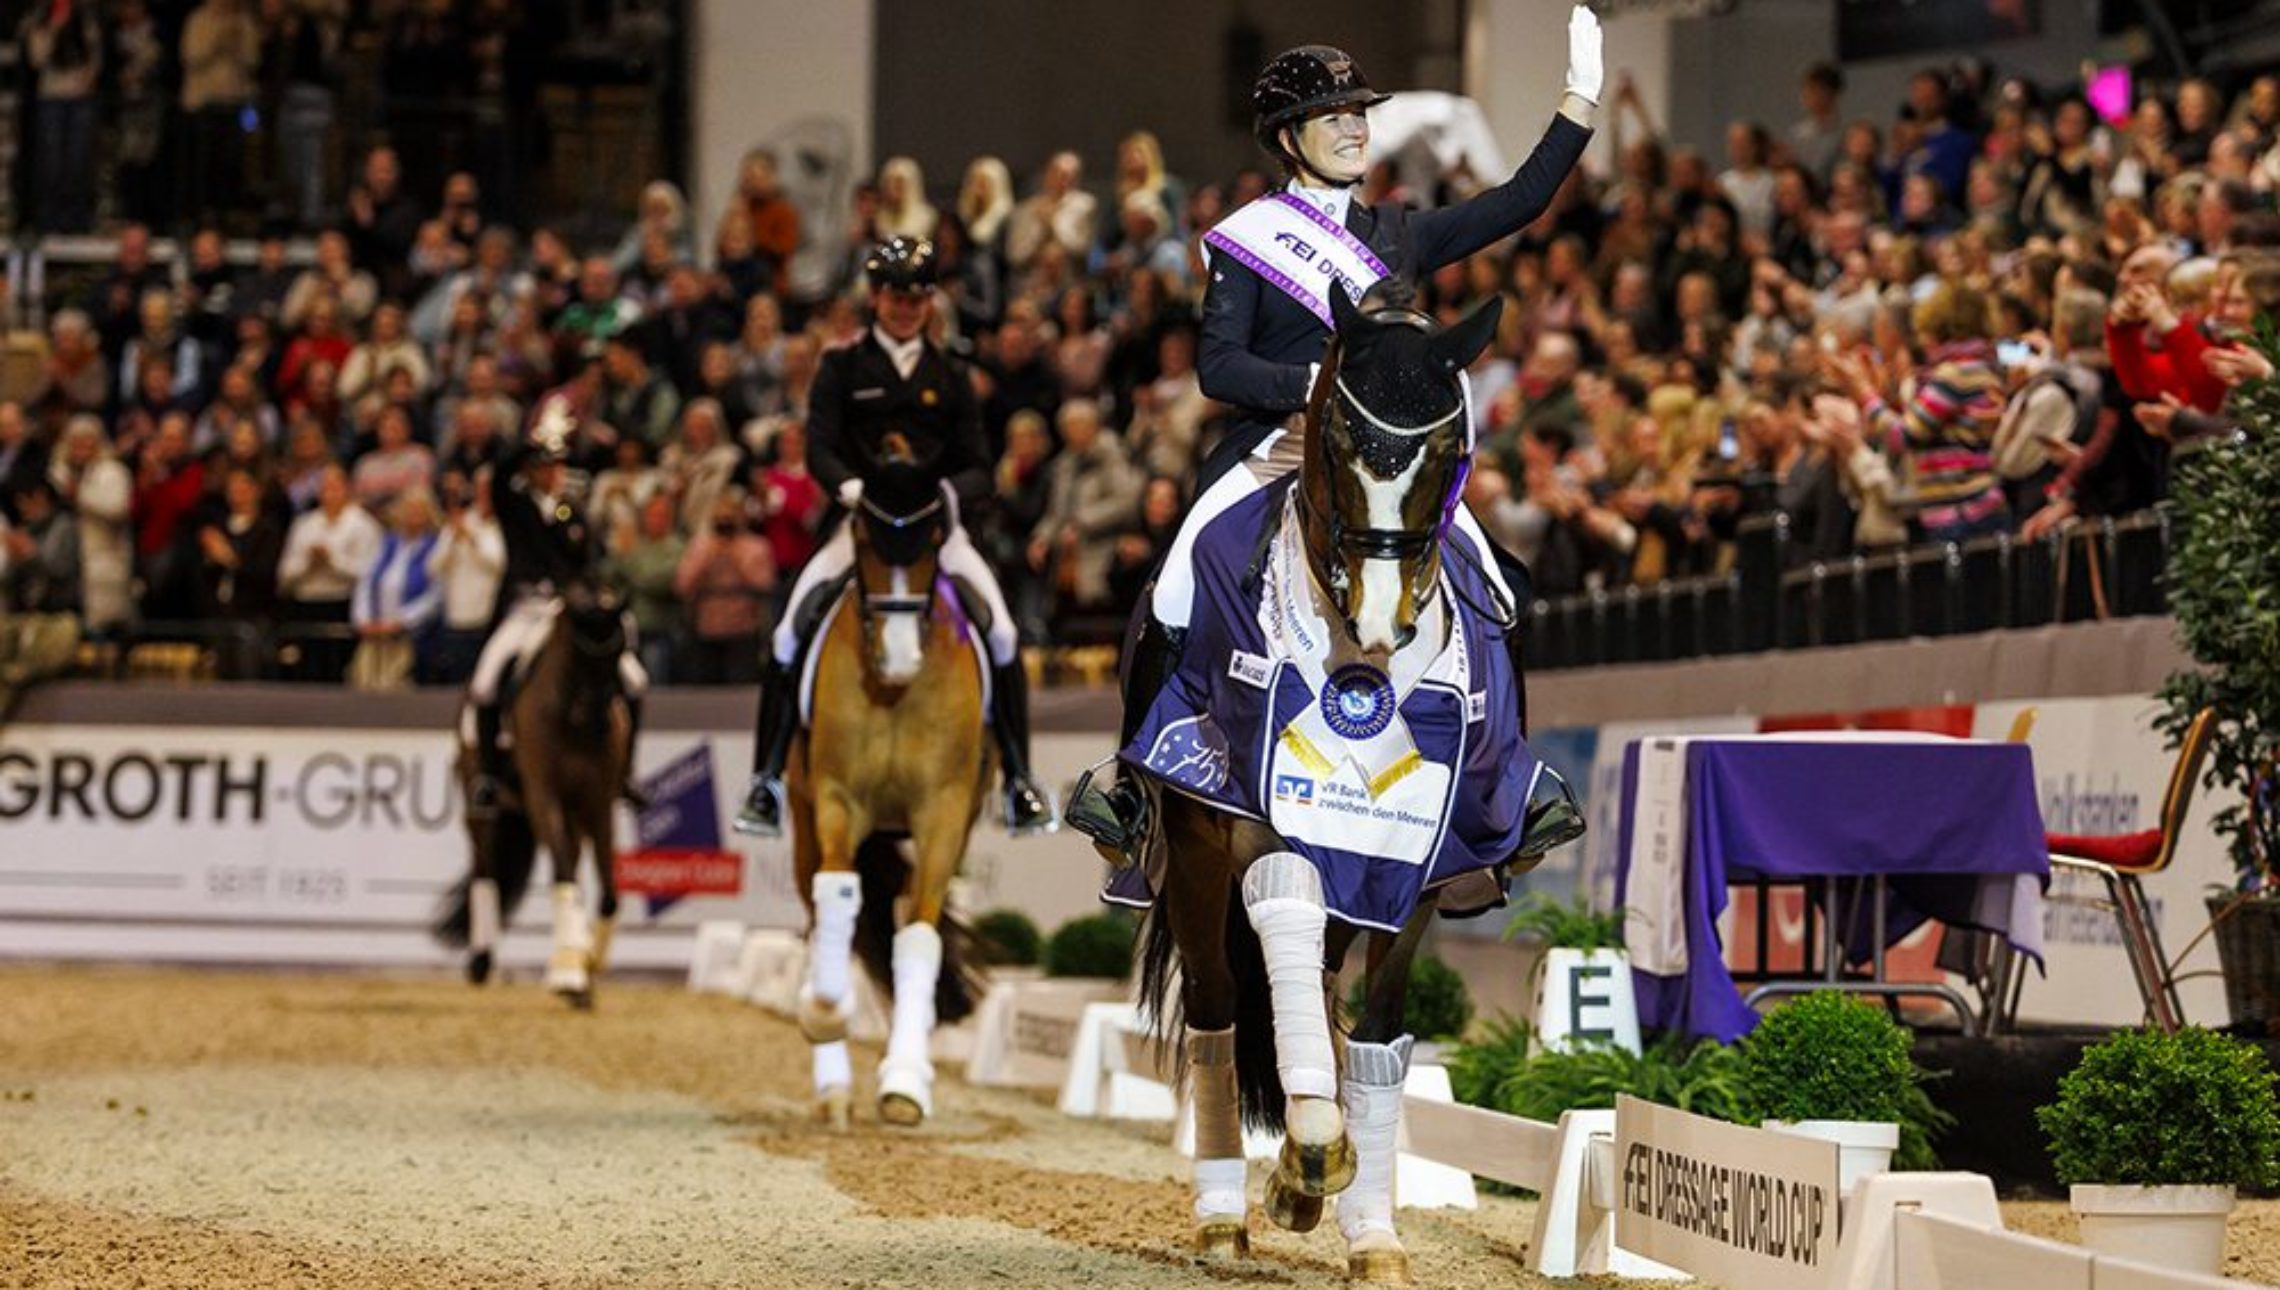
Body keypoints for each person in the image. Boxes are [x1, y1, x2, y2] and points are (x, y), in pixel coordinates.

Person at [1068, 10, 1603, 860]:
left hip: (1380, 458)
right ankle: (1130, 781)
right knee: (1173, 583)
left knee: (1494, 593)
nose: (1356, 128)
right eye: (1335, 117)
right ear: (1290, 138)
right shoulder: (1250, 240)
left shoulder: (1399, 232)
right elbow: (1219, 367)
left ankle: (1513, 782)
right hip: (1277, 446)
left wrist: (1579, 101)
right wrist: (1310, 386)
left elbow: (1521, 201)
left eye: (1361, 114)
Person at [734, 237, 1055, 837]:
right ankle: (768, 779)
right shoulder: (842, 367)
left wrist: (944, 497)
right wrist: (852, 489)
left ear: (929, 302)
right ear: (876, 298)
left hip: (937, 529)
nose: (905, 308)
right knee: (786, 632)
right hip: (860, 529)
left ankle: (1018, 778)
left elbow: (980, 463)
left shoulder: (951, 372)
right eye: (894, 296)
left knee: (1004, 633)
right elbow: (821, 446)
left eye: (916, 297)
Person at [462, 404, 648, 817]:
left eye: (557, 466)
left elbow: (587, 563)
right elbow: (498, 471)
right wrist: (533, 437)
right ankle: (490, 776)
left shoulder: (571, 513)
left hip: (568, 608)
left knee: (634, 679)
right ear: (530, 471)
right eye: (544, 467)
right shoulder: (515, 505)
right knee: (487, 681)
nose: (553, 474)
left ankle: (625, 772)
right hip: (526, 607)